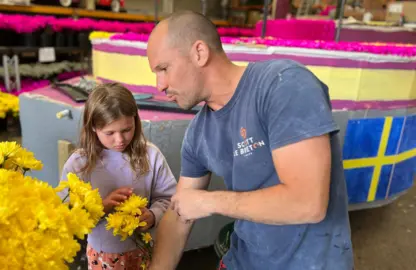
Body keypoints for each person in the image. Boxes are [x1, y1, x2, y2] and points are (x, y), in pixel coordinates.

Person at [146, 11, 354, 270]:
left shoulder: (283, 84)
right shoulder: (198, 134)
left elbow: (307, 202)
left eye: (163, 69)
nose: (159, 85)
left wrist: (208, 201)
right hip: (243, 261)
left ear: (199, 53)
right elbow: (179, 215)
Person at [59, 82, 177, 270]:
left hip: (144, 249)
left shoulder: (151, 155)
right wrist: (100, 208)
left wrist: (154, 215)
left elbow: (169, 198)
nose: (120, 140)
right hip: (101, 254)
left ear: (135, 122)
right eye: (110, 133)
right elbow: (67, 213)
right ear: (93, 128)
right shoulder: (78, 164)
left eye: (126, 130)